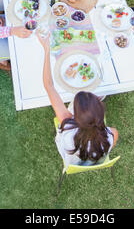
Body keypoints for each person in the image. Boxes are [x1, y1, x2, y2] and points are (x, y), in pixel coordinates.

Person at [37, 32, 119, 167]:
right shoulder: (111, 135)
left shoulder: (68, 127)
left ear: (74, 116)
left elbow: (49, 86)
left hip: (70, 158)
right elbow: (112, 138)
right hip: (94, 159)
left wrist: (46, 50)